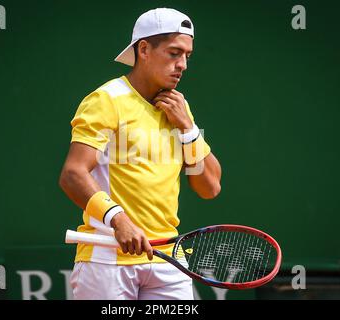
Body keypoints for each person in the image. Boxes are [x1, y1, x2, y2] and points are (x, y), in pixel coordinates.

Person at [59, 7, 222, 300]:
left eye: (187, 55)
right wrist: (118, 220)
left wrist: (188, 127)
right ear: (144, 49)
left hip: (167, 257)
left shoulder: (179, 109)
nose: (183, 64)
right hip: (108, 258)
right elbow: (73, 174)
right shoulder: (107, 100)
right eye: (174, 53)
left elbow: (210, 186)